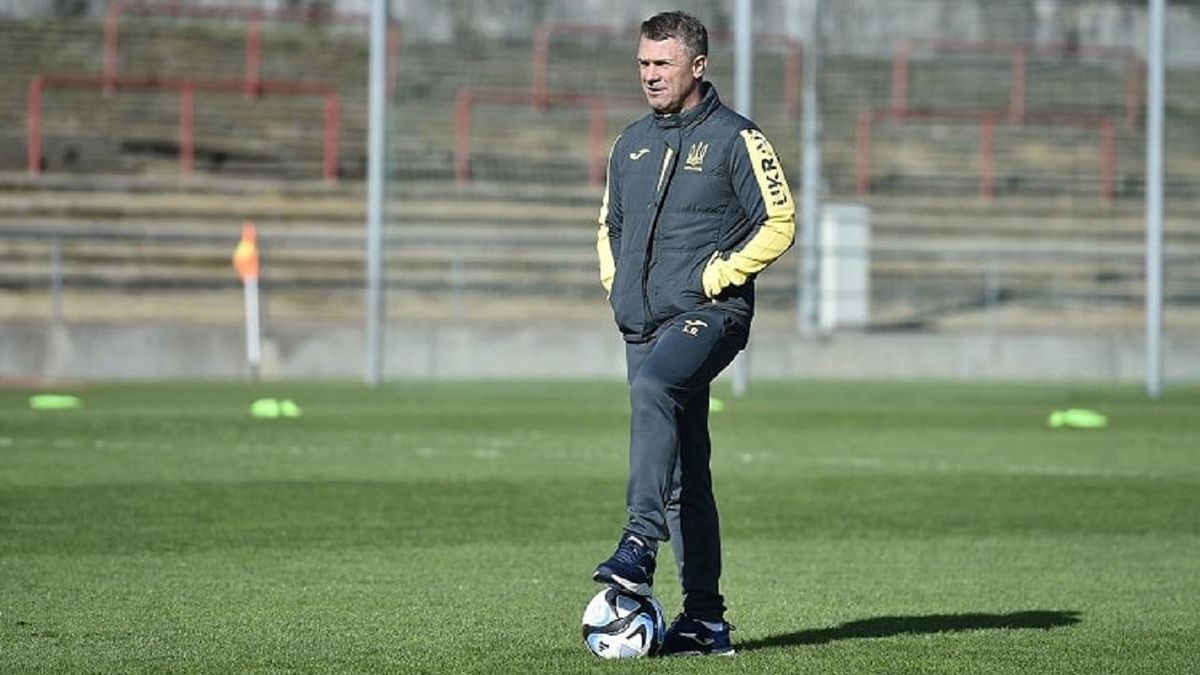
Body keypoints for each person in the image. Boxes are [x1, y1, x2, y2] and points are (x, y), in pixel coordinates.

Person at [592, 10, 796, 658]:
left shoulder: (738, 138)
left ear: (698, 65)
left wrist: (718, 276)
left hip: (711, 314)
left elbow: (780, 221)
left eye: (663, 63)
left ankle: (637, 544)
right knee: (683, 475)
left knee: (654, 387)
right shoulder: (628, 144)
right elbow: (609, 226)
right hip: (643, 320)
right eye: (643, 63)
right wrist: (618, 285)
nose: (650, 75)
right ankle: (706, 622)